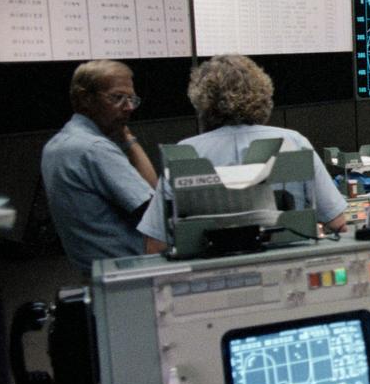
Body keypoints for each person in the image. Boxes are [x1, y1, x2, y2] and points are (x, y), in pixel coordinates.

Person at [138, 55, 347, 251]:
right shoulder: (294, 142)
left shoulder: (185, 153)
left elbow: (156, 245)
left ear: (202, 101)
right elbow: (337, 224)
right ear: (263, 94)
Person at [41, 60, 159, 276]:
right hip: (129, 275)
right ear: (86, 99)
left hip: (94, 272)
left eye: (131, 99)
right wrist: (129, 140)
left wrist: (124, 135)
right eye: (117, 98)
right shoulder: (94, 149)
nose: (129, 107)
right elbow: (156, 210)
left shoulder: (57, 144)